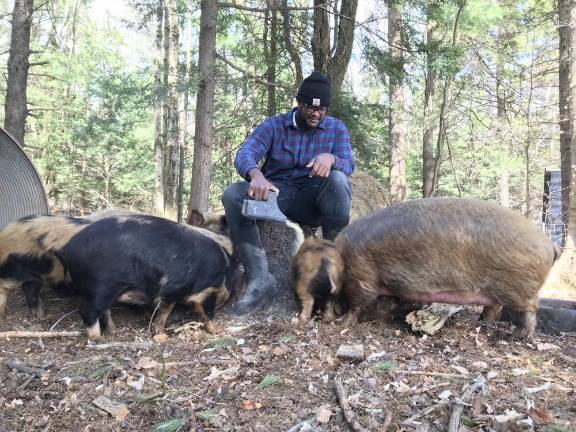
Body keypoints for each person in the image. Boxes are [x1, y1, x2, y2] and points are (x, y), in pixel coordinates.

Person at [222, 71, 355, 314]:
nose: (316, 114)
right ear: (299, 103)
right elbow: (245, 153)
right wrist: (256, 175)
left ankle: (336, 273)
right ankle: (260, 279)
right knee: (233, 194)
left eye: (322, 109)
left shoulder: (336, 129)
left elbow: (349, 164)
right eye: (310, 108)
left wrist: (332, 158)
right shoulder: (275, 125)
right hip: (275, 198)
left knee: (338, 180)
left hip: (312, 202)